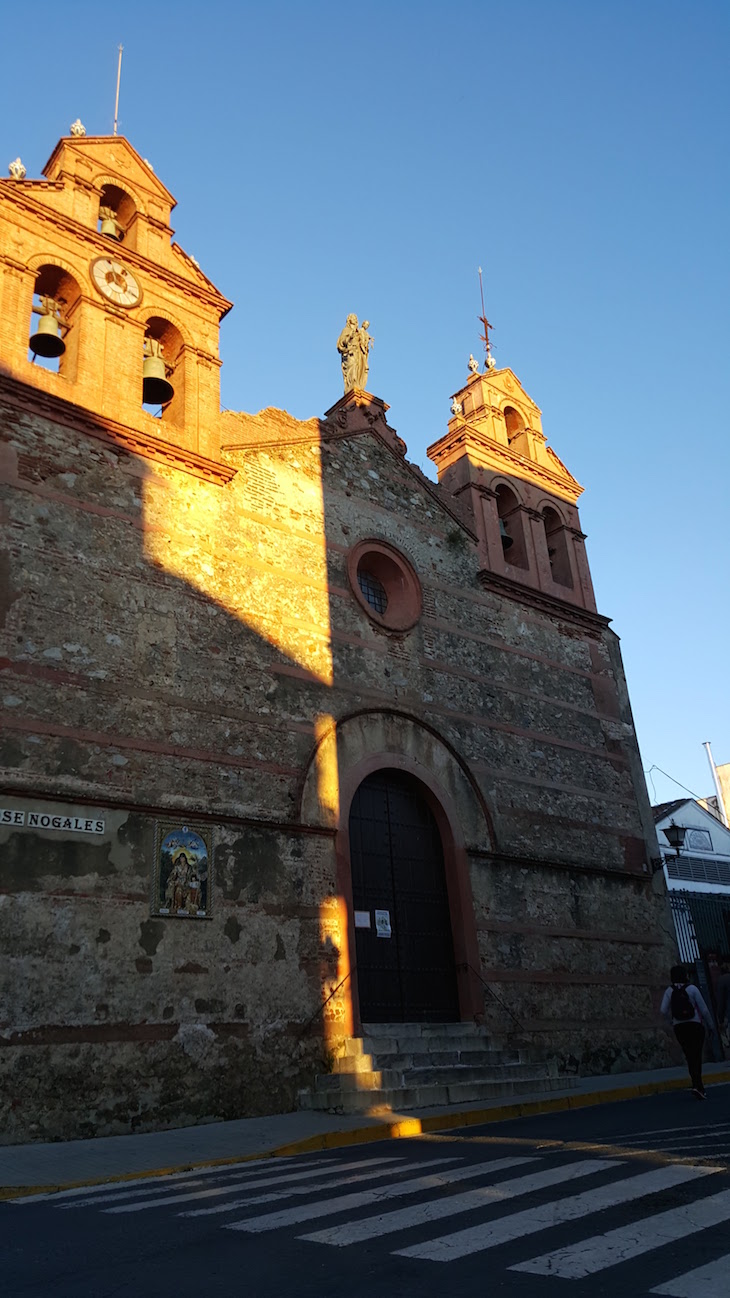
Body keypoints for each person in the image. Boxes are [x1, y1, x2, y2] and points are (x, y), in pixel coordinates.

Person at [660, 964, 714, 1099]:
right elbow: (705, 1010)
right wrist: (711, 1026)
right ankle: (699, 1086)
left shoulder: (669, 991)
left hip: (680, 1027)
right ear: (685, 975)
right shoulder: (692, 989)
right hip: (695, 1025)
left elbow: (663, 1010)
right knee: (696, 1055)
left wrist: (670, 1023)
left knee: (689, 1055)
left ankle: (695, 1084)